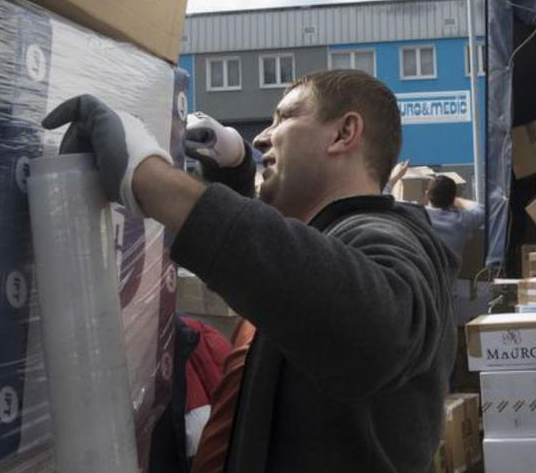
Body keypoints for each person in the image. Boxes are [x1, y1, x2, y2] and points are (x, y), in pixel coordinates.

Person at [41, 69, 458, 472]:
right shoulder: (330, 244)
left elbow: (375, 331)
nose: (261, 136)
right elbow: (282, 270)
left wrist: (147, 176)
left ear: (344, 133)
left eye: (286, 117)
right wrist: (237, 166)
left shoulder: (391, 237)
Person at [422, 175, 485, 261]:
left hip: (420, 272)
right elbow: (481, 209)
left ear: (427, 194)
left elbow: (397, 205)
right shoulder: (462, 220)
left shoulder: (418, 215)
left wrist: (396, 176)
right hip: (448, 273)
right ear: (452, 200)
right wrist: (457, 199)